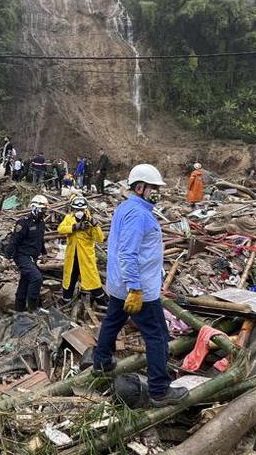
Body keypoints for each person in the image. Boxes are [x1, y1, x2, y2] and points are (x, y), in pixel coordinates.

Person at [92, 164, 188, 407]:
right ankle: (159, 390)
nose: (157, 192)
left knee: (112, 321)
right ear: (140, 187)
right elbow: (128, 253)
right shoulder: (138, 214)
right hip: (138, 289)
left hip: (119, 284)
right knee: (157, 336)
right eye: (154, 188)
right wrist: (135, 287)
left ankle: (101, 362)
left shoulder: (127, 208)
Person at [58, 197, 106, 304]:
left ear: (85, 209)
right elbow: (60, 229)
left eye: (81, 210)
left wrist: (95, 225)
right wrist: (74, 227)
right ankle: (66, 300)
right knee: (70, 279)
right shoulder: (69, 219)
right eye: (76, 210)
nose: (79, 212)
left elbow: (100, 238)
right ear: (73, 209)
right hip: (72, 257)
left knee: (92, 279)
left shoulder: (90, 221)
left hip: (86, 257)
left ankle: (102, 301)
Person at [8, 195, 49, 312]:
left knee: (25, 281)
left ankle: (19, 309)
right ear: (35, 208)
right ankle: (32, 307)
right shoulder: (24, 222)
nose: (44, 212)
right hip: (22, 256)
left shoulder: (41, 223)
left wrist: (44, 253)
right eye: (42, 210)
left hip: (32, 257)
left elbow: (40, 239)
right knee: (36, 278)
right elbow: (14, 240)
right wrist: (8, 257)